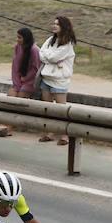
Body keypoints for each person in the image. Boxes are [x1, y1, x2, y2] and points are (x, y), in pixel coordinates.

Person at [0, 27, 41, 138]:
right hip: (19, 80)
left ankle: (8, 128)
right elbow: (15, 67)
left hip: (30, 82)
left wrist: (25, 79)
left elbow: (35, 69)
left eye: (20, 37)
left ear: (26, 38)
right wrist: (17, 83)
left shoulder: (34, 50)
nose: (17, 40)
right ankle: (4, 125)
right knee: (11, 96)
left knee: (19, 99)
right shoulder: (17, 47)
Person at [37, 16, 77, 146]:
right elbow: (41, 53)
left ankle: (65, 134)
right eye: (54, 24)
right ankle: (50, 132)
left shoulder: (67, 43)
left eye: (57, 25)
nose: (54, 26)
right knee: (48, 108)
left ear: (64, 27)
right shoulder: (51, 39)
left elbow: (53, 57)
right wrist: (49, 57)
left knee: (61, 109)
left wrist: (48, 57)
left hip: (59, 80)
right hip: (46, 78)